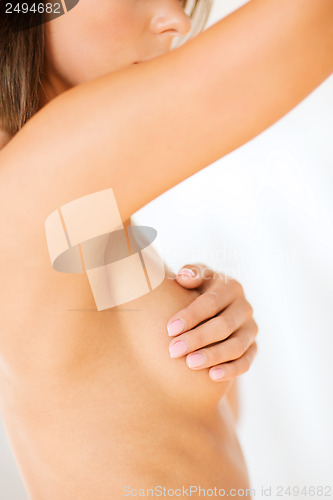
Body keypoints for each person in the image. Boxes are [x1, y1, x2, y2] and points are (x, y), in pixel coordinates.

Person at [0, 0, 331, 498]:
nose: (176, 21)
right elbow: (312, 24)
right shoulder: (40, 181)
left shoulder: (68, 201)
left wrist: (216, 334)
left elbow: (167, 431)